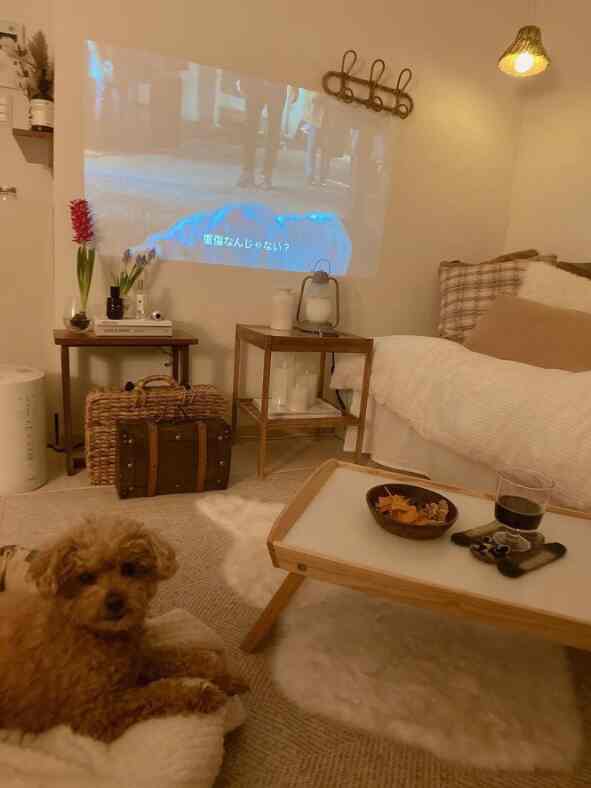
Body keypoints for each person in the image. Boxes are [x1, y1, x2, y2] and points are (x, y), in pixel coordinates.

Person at [236, 76, 298, 190]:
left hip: (278, 83)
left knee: (273, 131)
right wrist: (242, 76)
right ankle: (247, 172)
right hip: (255, 81)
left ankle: (266, 176)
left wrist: (295, 85)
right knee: (250, 127)